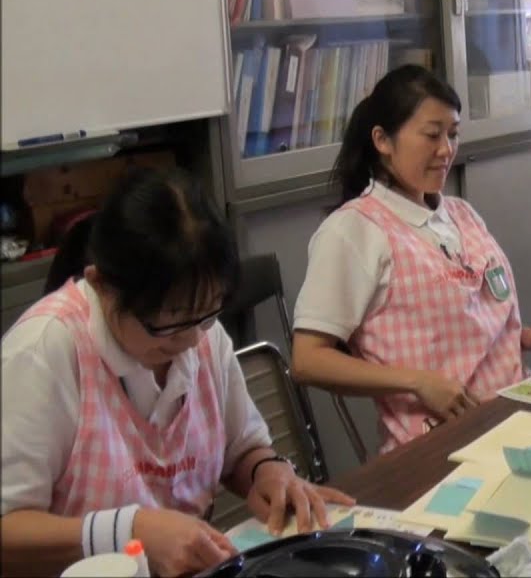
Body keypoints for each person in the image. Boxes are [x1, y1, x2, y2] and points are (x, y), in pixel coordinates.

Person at [1, 167, 352, 578]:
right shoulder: (44, 352)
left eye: (205, 315)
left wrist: (267, 472)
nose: (188, 341)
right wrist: (126, 531)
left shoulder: (203, 334)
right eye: (165, 324)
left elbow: (241, 450)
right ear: (101, 285)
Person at [290, 65, 531, 455]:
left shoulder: (460, 214)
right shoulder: (354, 231)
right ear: (382, 141)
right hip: (438, 447)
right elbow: (307, 361)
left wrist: (520, 338)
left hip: (513, 416)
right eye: (432, 135)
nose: (446, 150)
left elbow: (461, 329)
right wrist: (417, 382)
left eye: (453, 134)